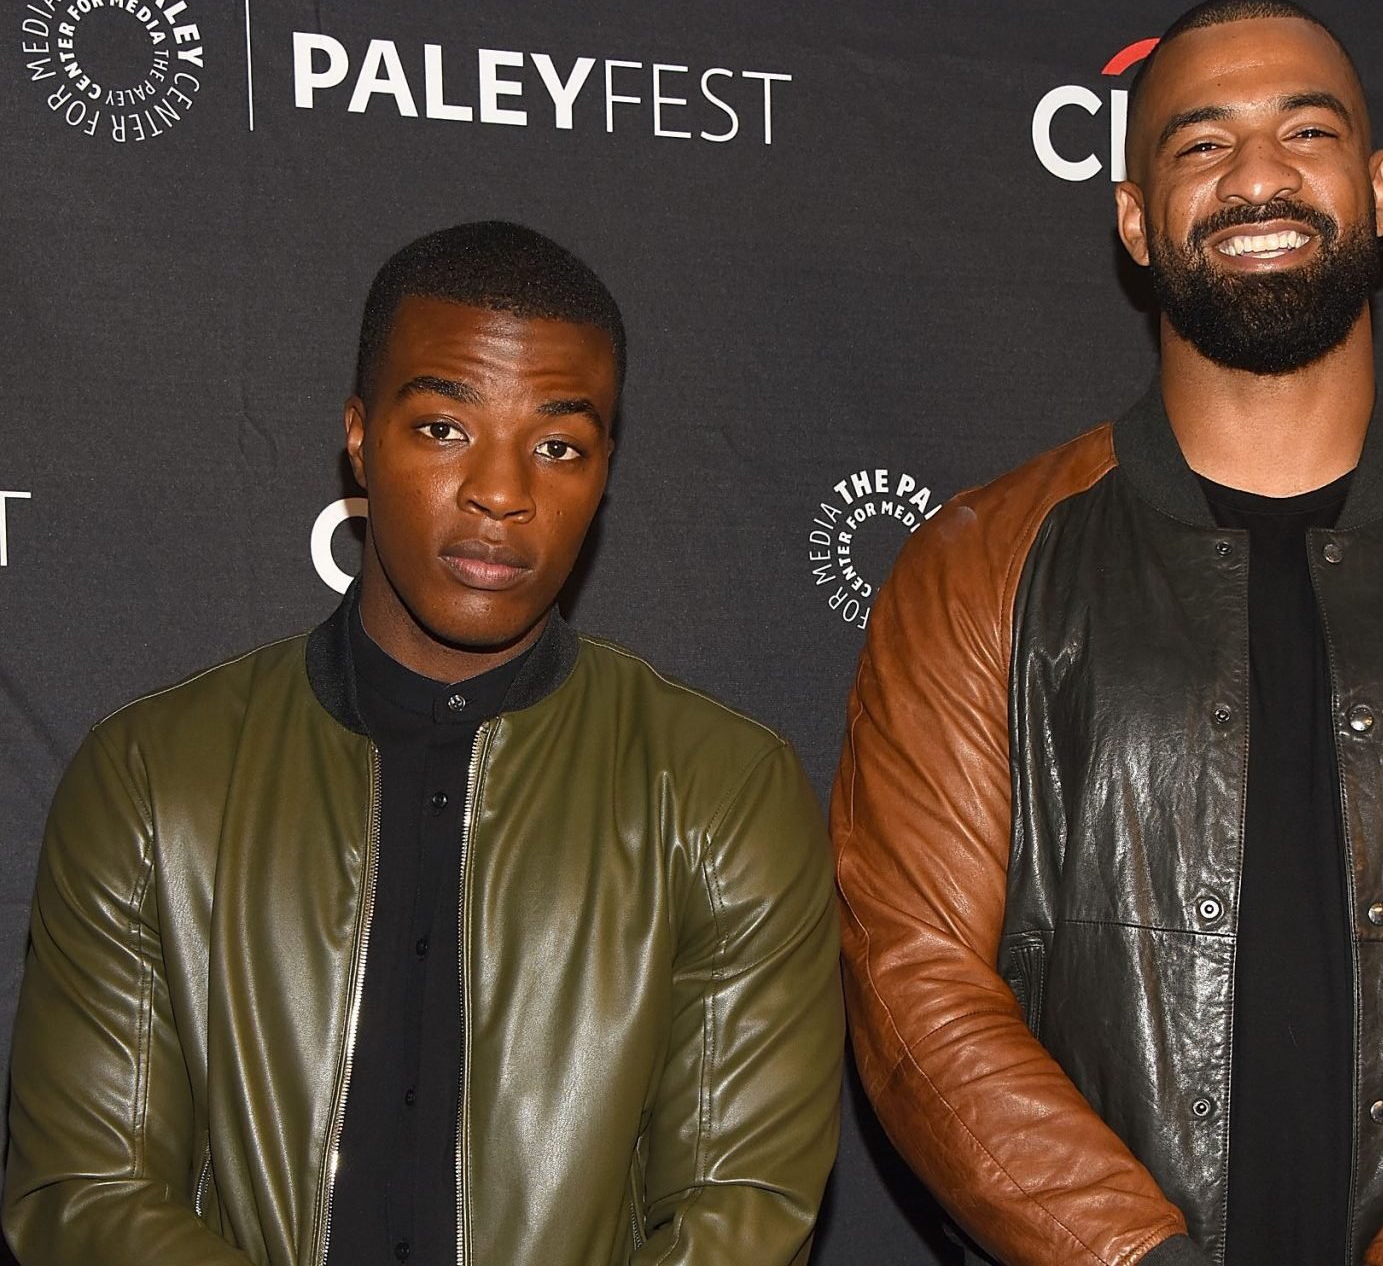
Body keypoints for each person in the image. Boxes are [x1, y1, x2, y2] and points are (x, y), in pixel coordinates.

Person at [831, 0, 1383, 1266]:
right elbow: (914, 980)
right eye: (1199, 144)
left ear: (1382, 188)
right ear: (1134, 216)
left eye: (1306, 133)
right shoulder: (976, 569)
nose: (1257, 176)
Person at [5, 220, 843, 1266]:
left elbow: (740, 1213)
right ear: (359, 436)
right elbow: (86, 1196)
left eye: (558, 446)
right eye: (445, 428)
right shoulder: (151, 780)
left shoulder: (720, 791)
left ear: (605, 470)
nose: (503, 492)